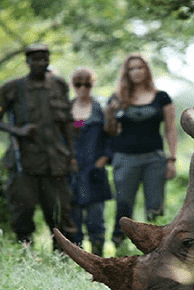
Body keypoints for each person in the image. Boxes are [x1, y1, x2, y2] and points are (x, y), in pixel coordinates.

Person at [0, 43, 77, 249]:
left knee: (60, 211)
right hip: (24, 161)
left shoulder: (59, 85)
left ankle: (62, 256)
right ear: (27, 62)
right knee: (22, 211)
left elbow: (67, 124)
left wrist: (72, 156)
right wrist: (18, 131)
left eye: (44, 58)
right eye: (35, 59)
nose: (40, 63)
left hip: (55, 160)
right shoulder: (12, 88)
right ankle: (25, 253)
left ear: (48, 61)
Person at [104, 53, 178, 249]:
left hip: (154, 159)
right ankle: (119, 245)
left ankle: (155, 247)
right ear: (126, 73)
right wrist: (111, 114)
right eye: (132, 68)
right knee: (123, 204)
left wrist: (171, 159)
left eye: (140, 67)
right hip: (124, 159)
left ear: (146, 70)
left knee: (155, 206)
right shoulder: (117, 98)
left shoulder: (162, 97)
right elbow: (109, 131)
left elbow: (170, 129)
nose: (136, 72)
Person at [69, 67, 113, 256]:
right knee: (73, 219)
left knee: (96, 219)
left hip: (95, 170)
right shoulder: (66, 109)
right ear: (73, 85)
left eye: (87, 84)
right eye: (78, 84)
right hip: (72, 171)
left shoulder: (101, 110)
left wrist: (103, 160)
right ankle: (77, 259)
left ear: (92, 85)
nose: (83, 88)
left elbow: (112, 139)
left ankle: (97, 259)